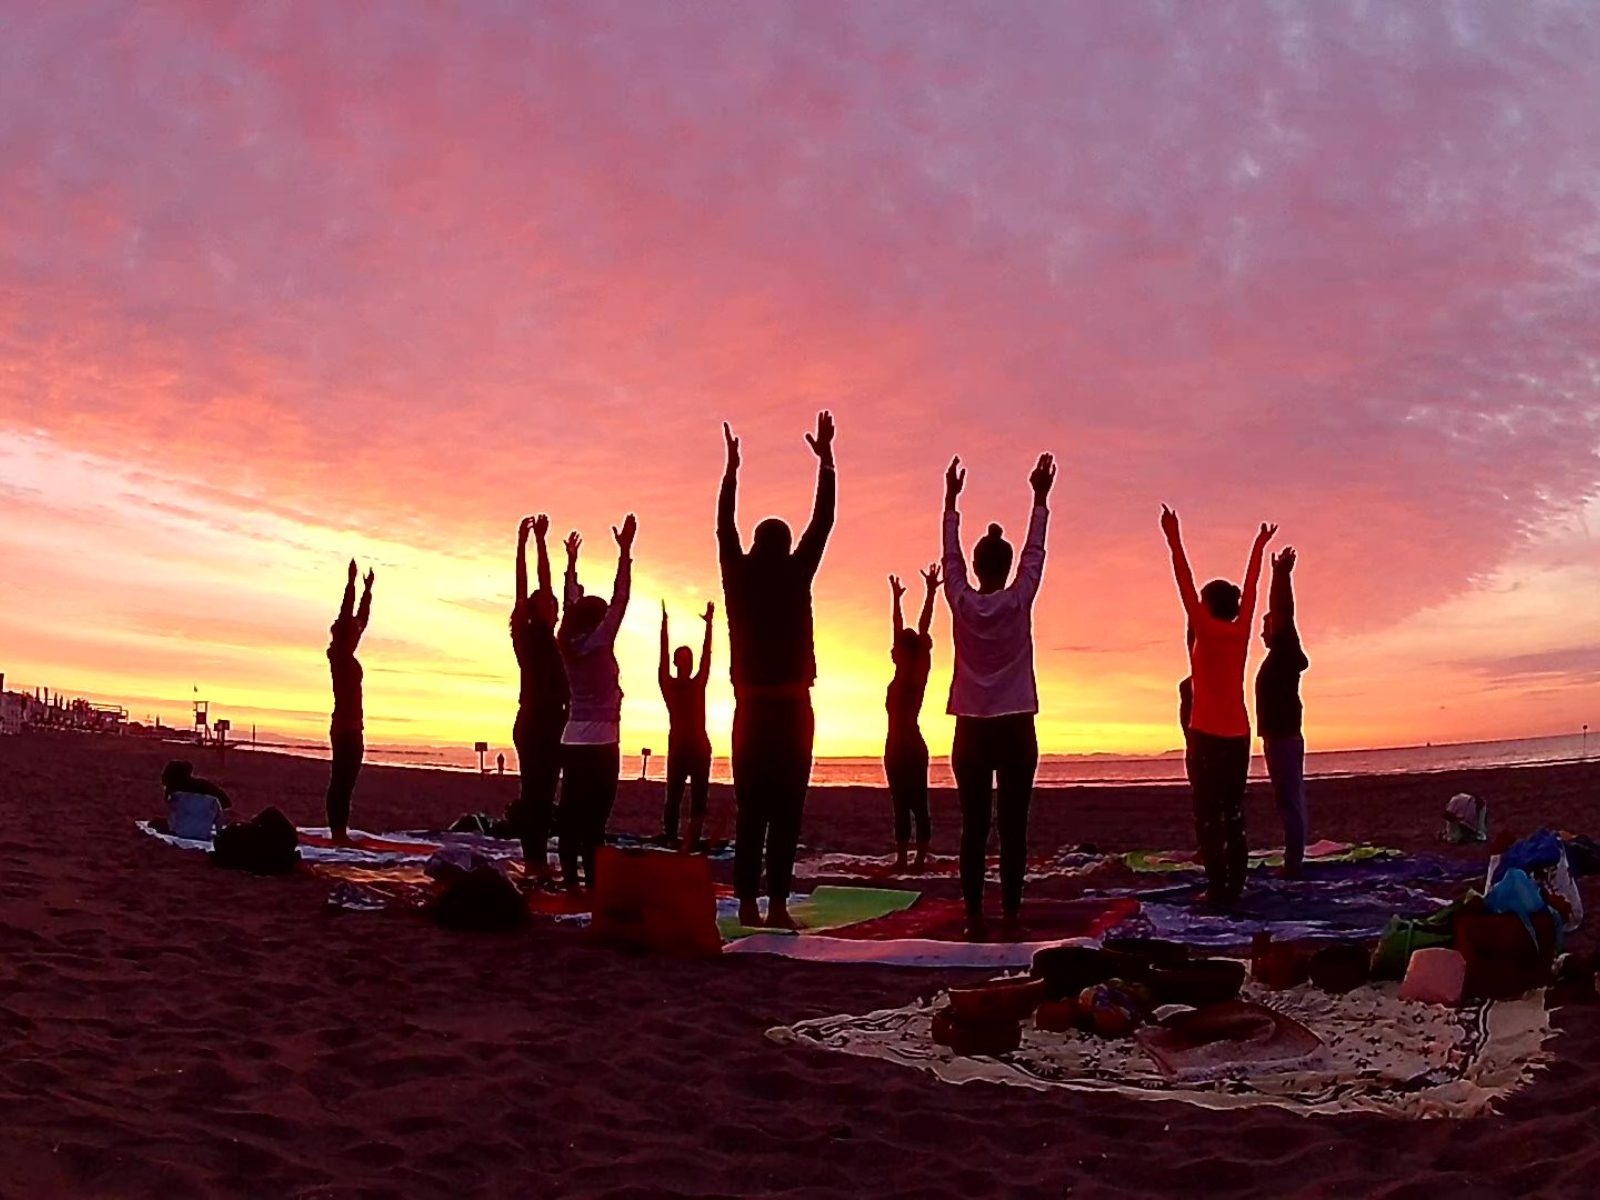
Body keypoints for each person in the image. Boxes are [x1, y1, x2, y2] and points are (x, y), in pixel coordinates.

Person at [719, 412, 836, 929]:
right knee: (785, 811)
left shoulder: (739, 575)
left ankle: (750, 903)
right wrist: (826, 461)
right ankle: (779, 905)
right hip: (790, 710)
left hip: (753, 710)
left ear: (754, 544)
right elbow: (823, 522)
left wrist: (732, 472)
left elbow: (723, 528)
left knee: (753, 812)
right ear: (785, 546)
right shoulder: (793, 573)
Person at [942, 452, 1055, 933]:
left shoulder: (962, 601)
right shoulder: (1017, 600)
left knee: (974, 825)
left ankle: (973, 913)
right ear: (1005, 566)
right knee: (1012, 824)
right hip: (1014, 726)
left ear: (977, 565)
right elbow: (1035, 554)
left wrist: (950, 501)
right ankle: (1009, 911)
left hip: (971, 726)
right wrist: (1039, 498)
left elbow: (949, 558)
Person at [1160, 506, 1276, 904]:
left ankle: (1217, 887)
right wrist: (1258, 546)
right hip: (1238, 734)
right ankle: (1236, 884)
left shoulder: (1206, 629)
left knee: (1208, 815)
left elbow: (1183, 580)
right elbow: (1253, 585)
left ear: (1206, 607)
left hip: (1208, 735)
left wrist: (1173, 536)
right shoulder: (1241, 630)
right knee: (1234, 811)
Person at [555, 515, 635, 889]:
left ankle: (572, 879)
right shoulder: (600, 642)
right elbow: (621, 599)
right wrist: (624, 551)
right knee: (595, 820)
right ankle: (592, 883)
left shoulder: (568, 645)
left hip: (572, 740)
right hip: (602, 743)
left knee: (572, 814)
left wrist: (571, 564)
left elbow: (572, 602)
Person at [509, 514, 570, 879]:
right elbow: (527, 585)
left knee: (545, 794)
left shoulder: (552, 637)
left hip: (553, 721)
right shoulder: (528, 635)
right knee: (536, 793)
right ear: (538, 609)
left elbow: (547, 588)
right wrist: (528, 544)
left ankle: (538, 859)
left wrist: (542, 542)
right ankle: (534, 860)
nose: (555, 606)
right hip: (535, 720)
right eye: (548, 603)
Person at [1256, 545, 1310, 876]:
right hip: (1279, 737)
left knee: (1288, 799)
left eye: (1267, 626)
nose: (1263, 632)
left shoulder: (1285, 649)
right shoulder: (1279, 656)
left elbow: (1284, 612)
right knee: (1288, 798)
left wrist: (1280, 575)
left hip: (1284, 737)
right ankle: (1294, 859)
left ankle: (1293, 864)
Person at [885, 564, 940, 870]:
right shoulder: (898, 673)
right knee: (899, 803)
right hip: (893, 746)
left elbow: (922, 629)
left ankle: (919, 856)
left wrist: (931, 592)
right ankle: (904, 856)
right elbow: (897, 630)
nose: (893, 651)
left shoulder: (917, 675)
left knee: (918, 802)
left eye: (899, 649)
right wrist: (896, 599)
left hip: (911, 747)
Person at [659, 600, 715, 850]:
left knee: (699, 797)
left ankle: (692, 837)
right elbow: (662, 658)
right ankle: (671, 836)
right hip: (680, 746)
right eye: (682, 658)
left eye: (688, 658)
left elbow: (707, 659)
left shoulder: (697, 683)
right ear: (676, 662)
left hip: (700, 746)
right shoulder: (669, 684)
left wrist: (710, 626)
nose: (687, 662)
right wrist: (664, 626)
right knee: (674, 795)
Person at [326, 559, 374, 844]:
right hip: (345, 727)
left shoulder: (346, 653)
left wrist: (368, 591)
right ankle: (338, 832)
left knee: (347, 780)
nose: (358, 634)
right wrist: (352, 584)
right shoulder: (339, 656)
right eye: (353, 633)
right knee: (342, 781)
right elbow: (347, 615)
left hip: (352, 726)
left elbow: (360, 621)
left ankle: (340, 830)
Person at [159, 759, 233, 839]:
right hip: (203, 831)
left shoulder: (175, 793)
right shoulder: (204, 786)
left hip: (181, 831)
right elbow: (226, 802)